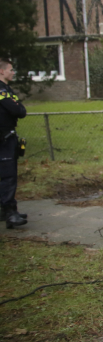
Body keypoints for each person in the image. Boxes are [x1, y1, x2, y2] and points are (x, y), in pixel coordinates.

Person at [0, 59, 28, 229]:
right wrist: (17, 107)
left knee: (7, 175)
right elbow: (17, 109)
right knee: (8, 176)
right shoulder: (1, 91)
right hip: (3, 139)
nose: (13, 72)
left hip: (7, 137)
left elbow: (21, 110)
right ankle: (10, 213)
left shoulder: (6, 89)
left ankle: (5, 210)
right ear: (1, 71)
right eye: (11, 69)